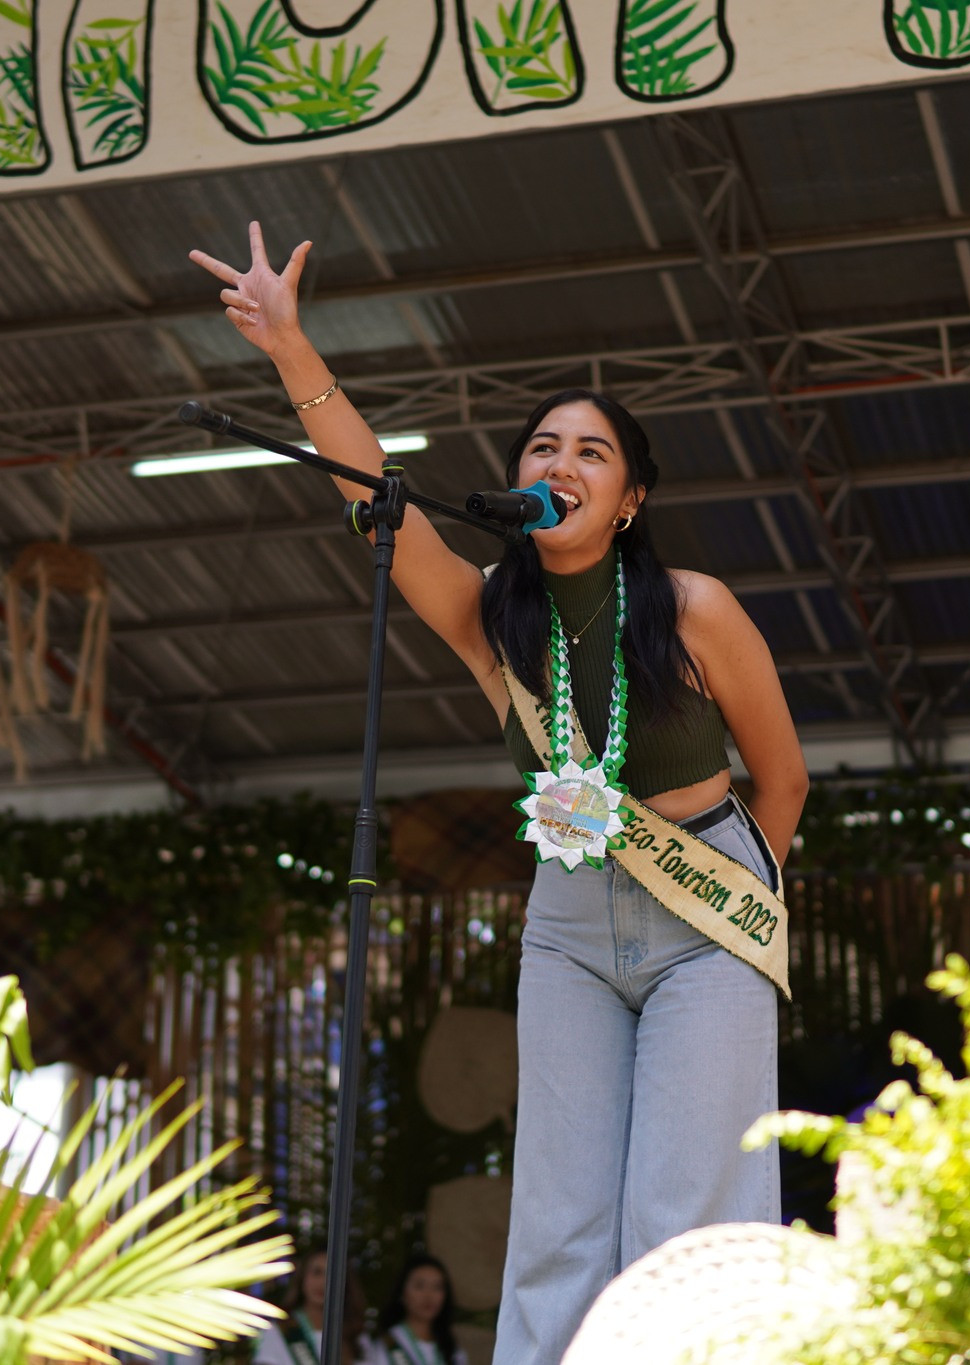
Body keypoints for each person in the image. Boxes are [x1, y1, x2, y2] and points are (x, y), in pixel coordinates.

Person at [193, 224, 809, 1365]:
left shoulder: (696, 606)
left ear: (627, 497)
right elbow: (378, 498)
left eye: (588, 453)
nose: (557, 467)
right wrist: (289, 347)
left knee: (685, 1213)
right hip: (568, 926)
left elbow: (783, 779)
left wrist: (733, 903)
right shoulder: (491, 617)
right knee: (557, 1221)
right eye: (539, 449)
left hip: (706, 917)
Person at [254, 1247, 369, 1365]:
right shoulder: (280, 1332)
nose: (323, 1282)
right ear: (302, 1278)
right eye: (317, 1272)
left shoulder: (357, 1336)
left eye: (332, 1275)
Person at [371, 1253, 467, 1365]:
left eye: (437, 1287)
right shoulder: (387, 1344)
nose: (429, 1295)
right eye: (419, 1286)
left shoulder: (453, 1350)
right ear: (402, 1293)